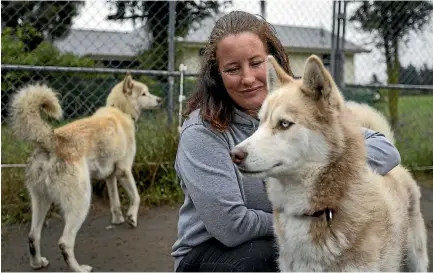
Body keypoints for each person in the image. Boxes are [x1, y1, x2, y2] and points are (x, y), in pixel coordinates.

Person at [171, 10, 401, 272]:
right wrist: (302, 218)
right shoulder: (201, 133)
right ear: (217, 75)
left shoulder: (301, 105)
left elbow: (385, 150)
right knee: (271, 256)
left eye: (256, 63)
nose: (247, 78)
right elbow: (231, 226)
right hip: (210, 253)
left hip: (291, 230)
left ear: (272, 61)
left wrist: (320, 163)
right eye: (233, 69)